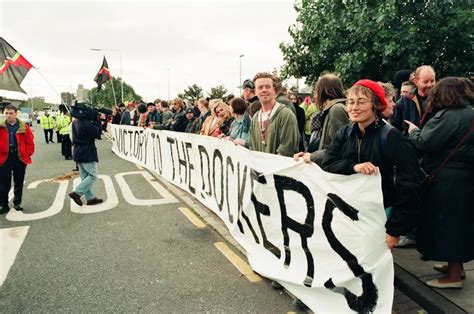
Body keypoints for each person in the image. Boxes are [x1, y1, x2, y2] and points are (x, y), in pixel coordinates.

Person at [321, 79, 423, 251]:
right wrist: (354, 167)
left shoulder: (391, 137)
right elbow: (328, 162)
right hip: (353, 213)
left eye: (361, 102)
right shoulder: (345, 133)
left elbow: (409, 185)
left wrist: (394, 230)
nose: (354, 107)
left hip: (382, 214)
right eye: (350, 102)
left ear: (376, 105)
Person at [405, 77, 474, 289]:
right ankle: (456, 267)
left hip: (447, 180)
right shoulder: (470, 113)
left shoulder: (449, 116)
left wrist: (414, 131)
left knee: (448, 225)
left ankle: (453, 277)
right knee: (460, 223)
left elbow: (425, 142)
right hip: (465, 177)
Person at [294, 73, 348, 165]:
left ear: (323, 90)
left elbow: (338, 149)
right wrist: (309, 155)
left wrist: (312, 156)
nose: (315, 94)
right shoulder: (332, 109)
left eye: (316, 90)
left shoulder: (336, 109)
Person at [248, 72, 300, 157]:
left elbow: (287, 149)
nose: (264, 90)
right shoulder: (255, 118)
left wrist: (271, 167)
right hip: (260, 168)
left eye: (268, 87)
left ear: (274, 90)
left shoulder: (285, 114)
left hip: (279, 169)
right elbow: (251, 146)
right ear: (255, 92)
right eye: (260, 87)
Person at [0, 105, 35, 213]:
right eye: (6, 113)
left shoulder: (23, 127)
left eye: (11, 113)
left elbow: (30, 142)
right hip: (4, 157)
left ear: (16, 113)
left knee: (19, 181)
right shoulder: (1, 127)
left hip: (19, 157)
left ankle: (17, 202)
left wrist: (27, 154)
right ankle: (3, 204)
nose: (8, 115)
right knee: (3, 183)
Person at [68, 108, 104, 206]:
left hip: (77, 151)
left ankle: (90, 198)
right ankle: (77, 193)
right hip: (87, 151)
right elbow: (97, 134)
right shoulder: (86, 123)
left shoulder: (75, 122)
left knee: (85, 177)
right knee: (93, 175)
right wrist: (99, 121)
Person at [391, 65, 436, 132]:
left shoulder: (441, 100)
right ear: (416, 82)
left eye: (432, 81)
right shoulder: (403, 102)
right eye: (425, 82)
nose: (429, 85)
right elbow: (396, 129)